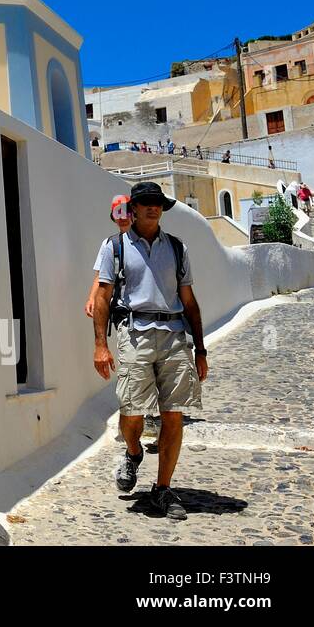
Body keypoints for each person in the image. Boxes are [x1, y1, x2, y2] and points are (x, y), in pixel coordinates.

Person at [89, 181, 208, 521]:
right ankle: (132, 450)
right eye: (146, 203)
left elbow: (189, 301)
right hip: (135, 334)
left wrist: (200, 349)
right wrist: (100, 344)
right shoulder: (115, 247)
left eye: (158, 203)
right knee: (132, 411)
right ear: (135, 209)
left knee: (174, 414)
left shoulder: (176, 248)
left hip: (173, 334)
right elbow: (101, 297)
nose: (153, 208)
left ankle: (162, 488)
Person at [84, 196, 133, 317]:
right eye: (118, 213)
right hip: (123, 312)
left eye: (126, 212)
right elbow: (101, 274)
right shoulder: (109, 244)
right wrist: (92, 299)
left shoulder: (145, 242)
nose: (122, 218)